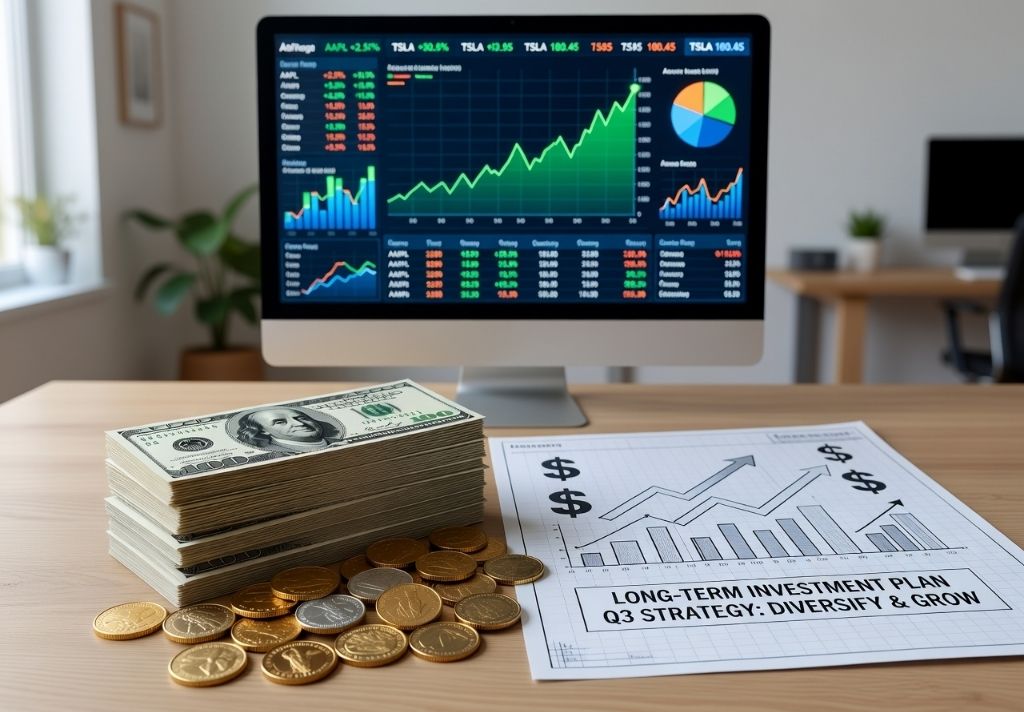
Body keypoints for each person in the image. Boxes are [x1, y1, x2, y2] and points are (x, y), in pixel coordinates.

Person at [233, 407, 344, 453]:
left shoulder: (341, 442)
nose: (299, 423)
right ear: (263, 431)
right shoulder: (273, 452)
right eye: (280, 422)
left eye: (302, 418)